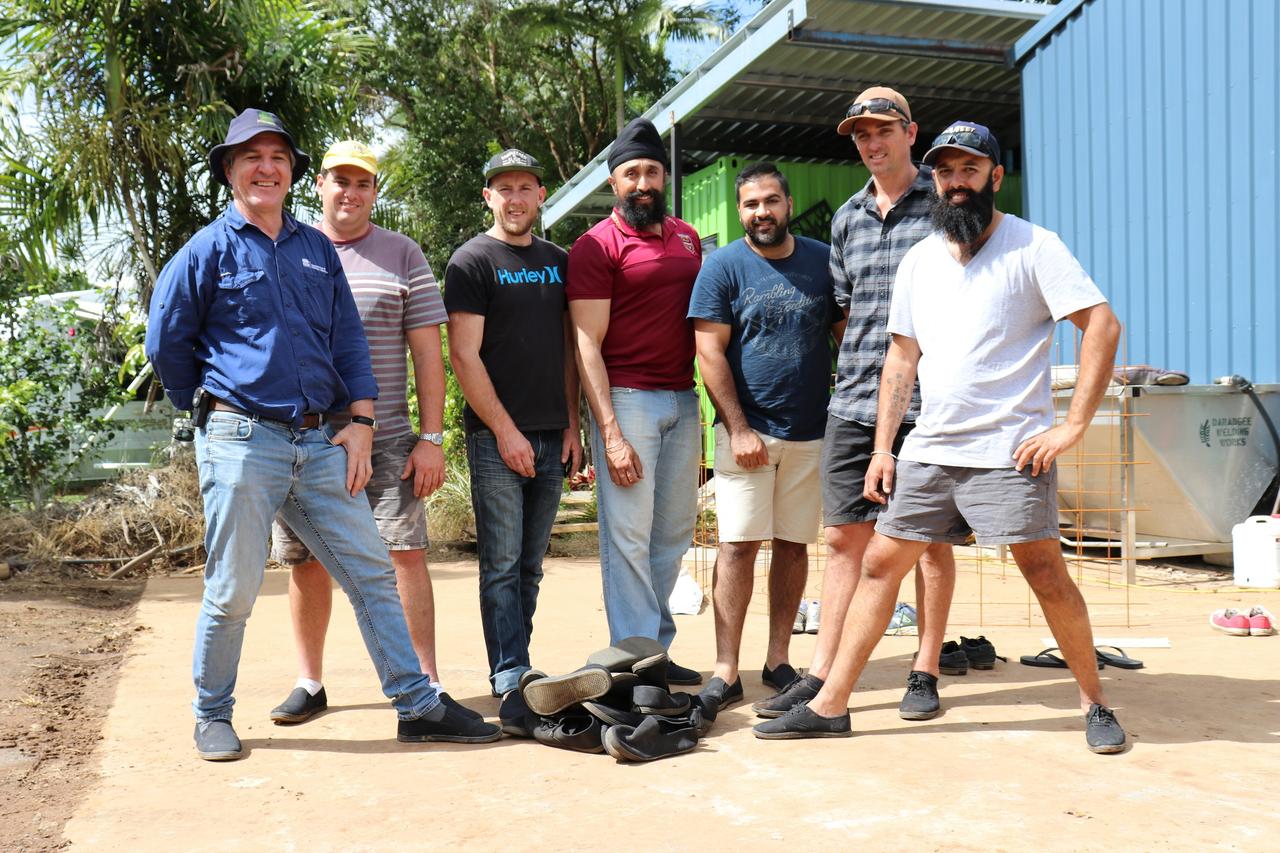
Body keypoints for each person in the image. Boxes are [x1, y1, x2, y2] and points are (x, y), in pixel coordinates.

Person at [753, 121, 1127, 754]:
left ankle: (1094, 701)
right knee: (878, 563)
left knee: (1044, 572)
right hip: (929, 448)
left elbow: (1102, 326)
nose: (957, 183)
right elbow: (902, 359)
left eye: (970, 170)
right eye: (947, 171)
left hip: (1008, 451)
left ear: (994, 177)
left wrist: (1072, 425)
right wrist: (882, 448)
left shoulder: (1034, 247)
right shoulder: (923, 259)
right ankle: (832, 703)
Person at [145, 109, 498, 761]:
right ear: (229, 170)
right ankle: (211, 712)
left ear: (291, 173)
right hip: (241, 438)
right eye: (251, 155)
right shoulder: (206, 251)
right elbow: (167, 342)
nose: (266, 166)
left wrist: (361, 420)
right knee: (234, 586)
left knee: (371, 570)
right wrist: (211, 408)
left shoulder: (313, 250)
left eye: (278, 156)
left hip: (317, 443)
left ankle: (418, 705)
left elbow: (348, 342)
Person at [752, 87, 957, 723]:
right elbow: (846, 312)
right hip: (857, 397)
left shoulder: (947, 205)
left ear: (910, 133)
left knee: (928, 540)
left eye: (883, 130)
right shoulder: (846, 217)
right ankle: (821, 675)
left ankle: (925, 667)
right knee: (844, 538)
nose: (872, 143)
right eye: (861, 134)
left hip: (935, 399)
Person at [264, 140, 463, 725]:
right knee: (306, 560)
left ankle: (426, 682)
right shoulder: (287, 247)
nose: (350, 193)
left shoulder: (401, 255)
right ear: (318, 185)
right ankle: (310, 680)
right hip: (305, 434)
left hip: (391, 437)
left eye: (363, 183)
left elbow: (430, 354)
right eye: (339, 181)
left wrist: (432, 437)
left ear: (374, 192)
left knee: (403, 553)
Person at [686, 162, 841, 710]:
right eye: (751, 205)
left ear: (789, 203)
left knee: (794, 545)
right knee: (736, 547)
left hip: (811, 432)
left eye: (771, 201)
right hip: (745, 434)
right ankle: (726, 670)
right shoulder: (723, 267)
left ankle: (778, 660)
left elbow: (846, 335)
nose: (762, 213)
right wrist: (739, 428)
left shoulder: (823, 261)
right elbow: (709, 352)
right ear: (740, 211)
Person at [444, 148, 582, 735]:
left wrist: (575, 427)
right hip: (496, 439)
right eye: (504, 189)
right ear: (488, 198)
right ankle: (510, 672)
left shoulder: (560, 260)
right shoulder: (471, 261)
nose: (516, 198)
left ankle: (519, 665)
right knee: (500, 565)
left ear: (541, 194)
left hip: (554, 434)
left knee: (530, 566)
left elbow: (572, 349)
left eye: (525, 187)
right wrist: (504, 431)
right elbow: (463, 355)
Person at [567, 117, 704, 685]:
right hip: (628, 401)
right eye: (631, 173)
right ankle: (634, 658)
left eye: (651, 171)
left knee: (671, 535)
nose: (642, 182)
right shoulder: (596, 245)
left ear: (664, 176)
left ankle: (659, 653)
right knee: (627, 536)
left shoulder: (689, 236)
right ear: (613, 182)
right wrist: (610, 432)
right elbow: (585, 342)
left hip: (683, 399)